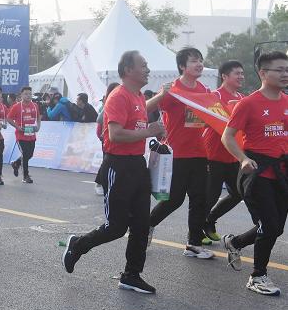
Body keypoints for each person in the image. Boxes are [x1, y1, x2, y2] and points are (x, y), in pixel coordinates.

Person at [61, 50, 166, 294]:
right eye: (144, 65)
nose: (148, 69)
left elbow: (140, 113)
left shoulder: (138, 96)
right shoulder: (119, 96)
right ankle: (77, 245)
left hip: (138, 165)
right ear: (128, 70)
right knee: (116, 227)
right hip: (118, 166)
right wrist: (149, 131)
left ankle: (131, 275)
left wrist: (161, 98)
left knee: (141, 224)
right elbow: (116, 134)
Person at [220, 51, 288, 295]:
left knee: (276, 228)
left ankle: (235, 242)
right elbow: (227, 136)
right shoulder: (248, 103)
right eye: (278, 70)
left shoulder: (286, 101)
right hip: (256, 172)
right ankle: (257, 276)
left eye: (286, 69)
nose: (284, 74)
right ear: (262, 73)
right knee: (269, 226)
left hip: (281, 173)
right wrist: (243, 158)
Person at [145, 48, 214, 259]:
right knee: (174, 199)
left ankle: (193, 244)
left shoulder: (204, 89)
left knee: (199, 199)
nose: (199, 64)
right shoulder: (172, 88)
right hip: (177, 153)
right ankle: (146, 225)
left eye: (201, 60)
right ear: (182, 66)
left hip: (200, 152)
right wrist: (161, 94)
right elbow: (145, 108)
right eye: (194, 61)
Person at [202, 61, 245, 243]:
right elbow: (203, 122)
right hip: (213, 155)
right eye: (237, 73)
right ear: (225, 76)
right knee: (210, 196)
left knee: (238, 193)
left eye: (242, 73)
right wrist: (229, 110)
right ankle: (194, 233)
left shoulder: (243, 98)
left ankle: (209, 220)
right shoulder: (214, 96)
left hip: (234, 156)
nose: (241, 76)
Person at [8, 86, 41, 184]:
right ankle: (25, 176)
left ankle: (16, 163)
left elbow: (38, 117)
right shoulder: (17, 106)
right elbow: (9, 118)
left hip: (31, 134)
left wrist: (38, 127)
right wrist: (17, 127)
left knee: (29, 154)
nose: (28, 96)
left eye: (30, 94)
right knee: (25, 154)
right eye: (26, 94)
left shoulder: (35, 105)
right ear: (21, 95)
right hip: (21, 135)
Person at [94, 83, 120, 195]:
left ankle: (109, 183)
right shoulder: (109, 102)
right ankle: (99, 182)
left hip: (118, 139)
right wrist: (101, 135)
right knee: (107, 162)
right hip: (106, 138)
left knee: (111, 163)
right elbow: (99, 120)